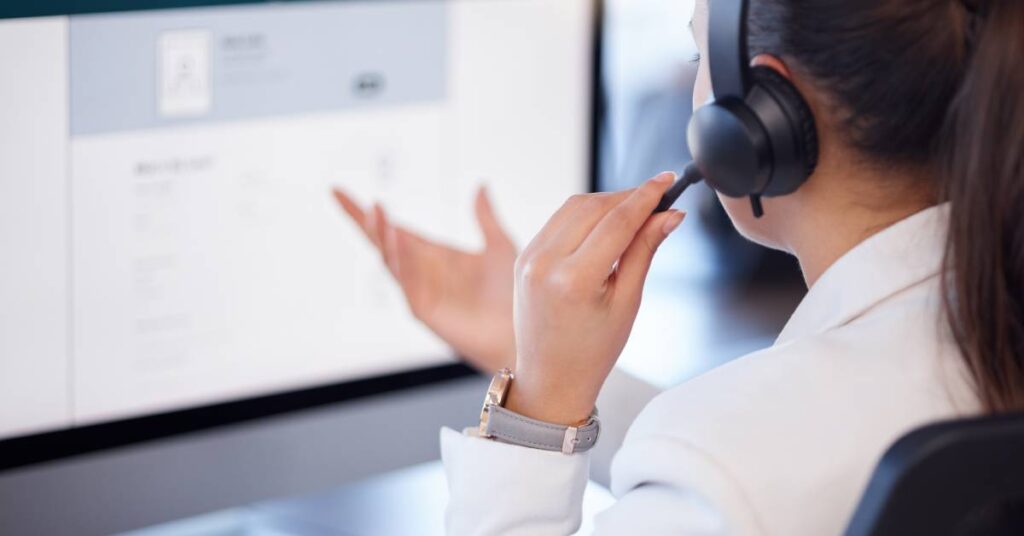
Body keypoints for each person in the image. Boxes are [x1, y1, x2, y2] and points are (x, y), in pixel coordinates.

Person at [332, 0, 1024, 533]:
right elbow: (748, 450)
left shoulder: (723, 458)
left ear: (765, 115)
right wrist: (532, 354)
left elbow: (731, 461)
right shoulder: (989, 319)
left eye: (698, 56)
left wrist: (534, 415)